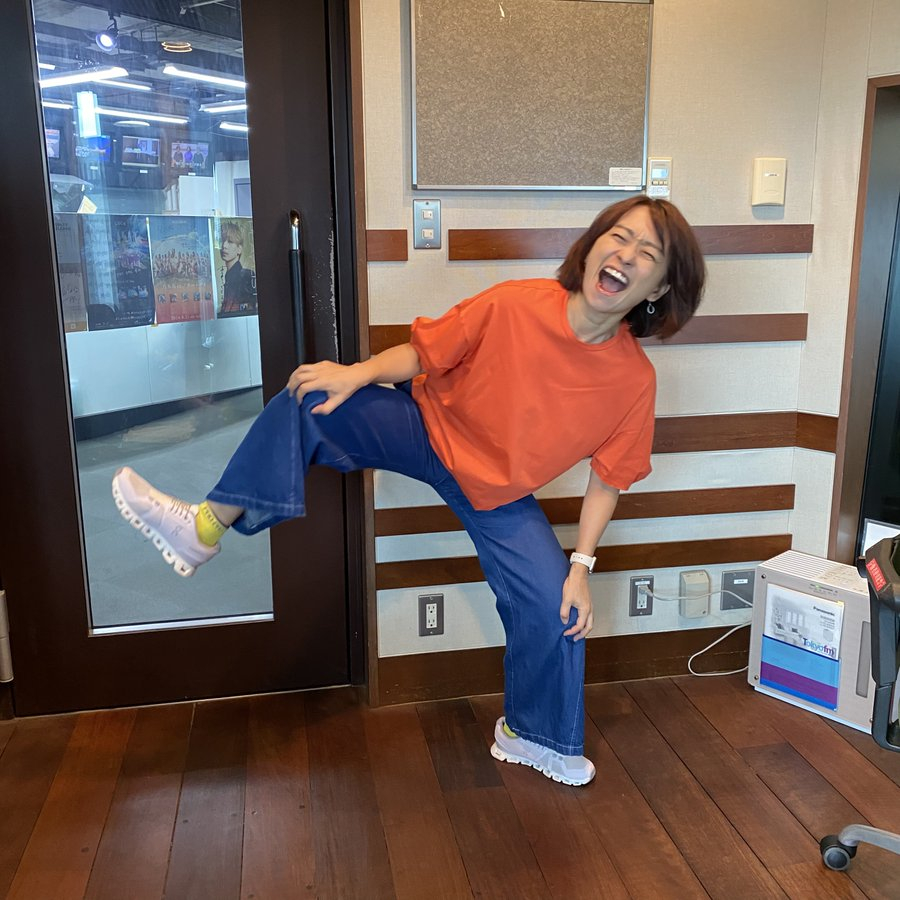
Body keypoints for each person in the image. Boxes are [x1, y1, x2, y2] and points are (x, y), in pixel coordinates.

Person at [112, 195, 705, 786]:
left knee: (559, 609)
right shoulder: (516, 303)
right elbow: (425, 351)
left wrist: (580, 567)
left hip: (495, 490)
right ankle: (202, 528)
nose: (626, 254)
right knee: (312, 398)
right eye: (619, 236)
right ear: (593, 245)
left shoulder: (634, 381)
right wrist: (356, 373)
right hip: (425, 425)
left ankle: (534, 735)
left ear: (657, 288)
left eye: (647, 253)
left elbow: (609, 478)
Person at [217, 221, 257, 315]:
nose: (224, 246)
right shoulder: (228, 277)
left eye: (230, 242)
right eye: (222, 240)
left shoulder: (246, 276)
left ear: (239, 249)